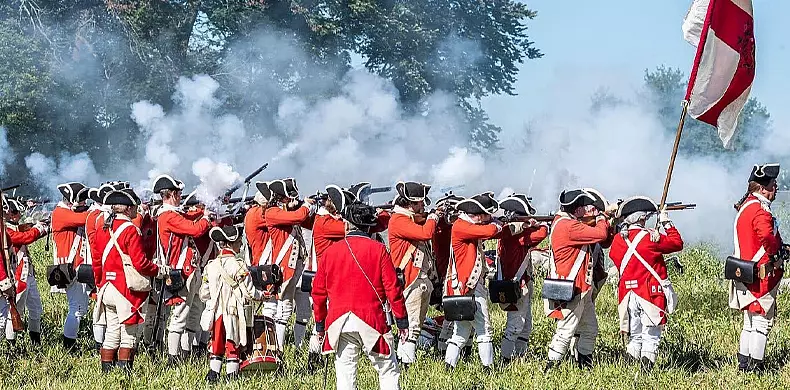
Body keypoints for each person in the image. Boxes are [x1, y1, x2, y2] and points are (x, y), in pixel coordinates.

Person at [312, 202, 408, 390]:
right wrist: (402, 322)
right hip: (372, 319)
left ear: (347, 224)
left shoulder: (330, 253)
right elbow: (393, 289)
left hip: (339, 322)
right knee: (387, 370)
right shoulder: (379, 250)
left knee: (345, 374)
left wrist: (320, 326)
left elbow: (318, 293)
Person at [93, 188, 166, 372]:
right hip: (125, 290)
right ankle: (124, 375)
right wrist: (159, 270)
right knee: (129, 336)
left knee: (112, 332)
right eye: (133, 206)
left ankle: (107, 373)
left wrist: (100, 283)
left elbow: (96, 260)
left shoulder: (103, 228)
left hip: (107, 287)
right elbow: (140, 263)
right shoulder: (131, 230)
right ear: (127, 209)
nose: (136, 209)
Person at [609, 196, 683, 371]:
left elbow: (614, 256)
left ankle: (629, 373)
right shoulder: (650, 237)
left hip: (628, 295)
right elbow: (677, 243)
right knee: (651, 336)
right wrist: (666, 222)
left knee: (635, 336)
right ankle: (645, 376)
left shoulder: (619, 240)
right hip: (649, 293)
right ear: (641, 218)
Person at [544, 189, 611, 371]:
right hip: (572, 287)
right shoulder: (569, 226)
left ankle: (584, 366)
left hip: (582, 288)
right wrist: (602, 217)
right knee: (565, 331)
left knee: (589, 329)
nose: (586, 209)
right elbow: (601, 235)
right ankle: (550, 369)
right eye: (583, 206)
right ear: (577, 208)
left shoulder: (565, 222)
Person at [730, 163, 785, 373]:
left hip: (745, 271)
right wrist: (779, 253)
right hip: (761, 274)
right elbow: (767, 239)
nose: (776, 187)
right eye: (773, 184)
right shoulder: (761, 210)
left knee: (749, 322)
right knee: (762, 323)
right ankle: (756, 368)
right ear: (763, 188)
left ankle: (744, 365)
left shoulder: (747, 206)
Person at [151, 174, 212, 365]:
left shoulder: (173, 214)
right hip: (181, 271)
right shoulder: (167, 216)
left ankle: (187, 352)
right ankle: (173, 358)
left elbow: (189, 218)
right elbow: (194, 229)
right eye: (178, 193)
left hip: (190, 270)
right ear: (170, 194)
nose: (180, 196)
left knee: (194, 313)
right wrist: (207, 218)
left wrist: (206, 210)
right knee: (180, 317)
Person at [443, 192, 504, 370]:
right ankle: (489, 369)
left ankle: (449, 367)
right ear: (477, 215)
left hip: (466, 285)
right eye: (485, 215)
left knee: (460, 333)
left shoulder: (464, 225)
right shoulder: (462, 226)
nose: (487, 219)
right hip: (469, 286)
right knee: (484, 330)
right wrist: (496, 223)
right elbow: (491, 231)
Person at [200, 225, 266, 382]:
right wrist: (262, 296)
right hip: (233, 312)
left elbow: (204, 294)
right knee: (233, 346)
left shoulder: (211, 266)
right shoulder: (238, 265)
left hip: (216, 314)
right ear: (232, 243)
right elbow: (250, 292)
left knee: (216, 347)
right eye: (238, 242)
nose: (241, 245)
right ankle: (232, 379)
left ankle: (213, 377)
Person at [387, 181, 440, 367]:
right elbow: (426, 233)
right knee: (412, 328)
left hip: (419, 279)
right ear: (412, 203)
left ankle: (403, 361)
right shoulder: (399, 220)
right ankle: (405, 364)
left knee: (413, 326)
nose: (424, 206)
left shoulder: (408, 218)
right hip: (411, 280)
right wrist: (433, 217)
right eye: (421, 203)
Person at [262, 178, 316, 352]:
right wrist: (306, 205)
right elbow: (299, 216)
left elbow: (305, 220)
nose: (291, 199)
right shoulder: (272, 212)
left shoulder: (284, 211)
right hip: (284, 268)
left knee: (298, 311)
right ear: (282, 198)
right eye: (289, 196)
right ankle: (277, 351)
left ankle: (297, 348)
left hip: (296, 267)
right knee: (283, 310)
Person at [496, 193, 548, 363]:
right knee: (515, 326)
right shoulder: (515, 234)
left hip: (521, 282)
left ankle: (519, 357)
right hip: (517, 284)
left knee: (525, 326)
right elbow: (540, 234)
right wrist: (540, 225)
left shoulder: (512, 231)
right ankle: (505, 361)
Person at [0, 197, 49, 345]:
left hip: (28, 274)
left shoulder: (14, 227)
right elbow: (24, 238)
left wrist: (43, 228)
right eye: (13, 212)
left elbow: (27, 235)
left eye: (17, 212)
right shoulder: (6, 231)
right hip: (16, 276)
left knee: (36, 310)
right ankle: (11, 345)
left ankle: (36, 342)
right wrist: (38, 229)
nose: (17, 215)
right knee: (13, 313)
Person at [51, 182, 91, 350]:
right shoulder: (61, 213)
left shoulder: (65, 212)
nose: (83, 203)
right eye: (81, 200)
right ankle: (69, 346)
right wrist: (99, 208)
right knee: (76, 308)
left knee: (79, 307)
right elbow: (85, 218)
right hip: (70, 267)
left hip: (76, 266)